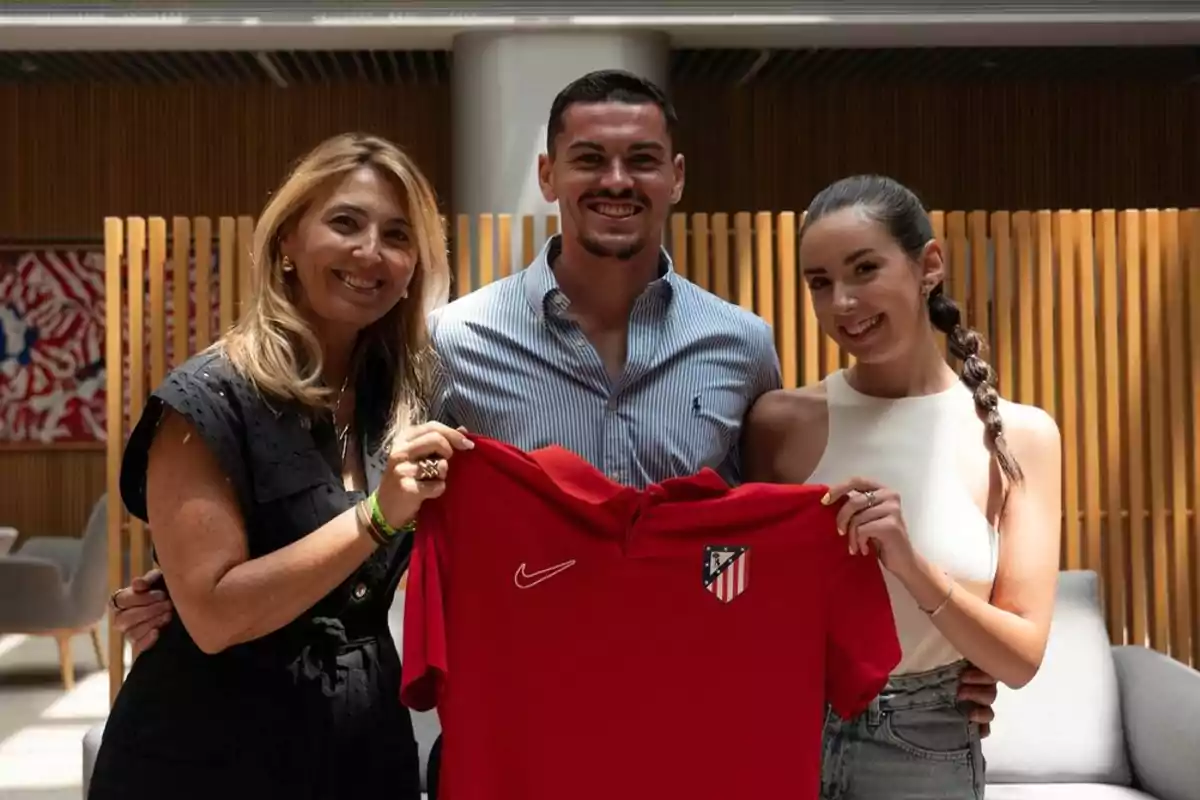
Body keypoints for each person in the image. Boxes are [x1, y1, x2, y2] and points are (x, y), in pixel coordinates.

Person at [107, 72, 1001, 791]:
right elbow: (370, 510)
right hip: (511, 752)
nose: (617, 181)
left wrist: (927, 668)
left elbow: (764, 530)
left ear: (676, 178)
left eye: (643, 159)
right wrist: (191, 596)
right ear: (548, 175)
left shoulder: (740, 344)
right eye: (589, 159)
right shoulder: (449, 346)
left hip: (686, 745)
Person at [89, 132, 472, 800]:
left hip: (362, 738)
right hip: (211, 749)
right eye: (345, 223)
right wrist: (377, 517)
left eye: (397, 235)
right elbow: (212, 619)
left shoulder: (411, 395)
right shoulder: (208, 397)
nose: (370, 253)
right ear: (288, 242)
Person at [742, 174, 1063, 799]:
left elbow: (1019, 658)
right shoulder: (778, 423)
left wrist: (912, 564)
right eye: (820, 283)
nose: (843, 302)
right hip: (783, 729)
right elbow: (737, 591)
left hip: (923, 742)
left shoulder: (1021, 436)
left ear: (929, 265)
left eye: (865, 269)